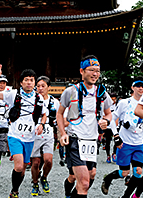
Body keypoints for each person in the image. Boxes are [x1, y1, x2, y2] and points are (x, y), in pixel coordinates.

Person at [56, 55, 112, 198]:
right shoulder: (71, 91)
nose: (95, 74)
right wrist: (62, 133)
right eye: (91, 70)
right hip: (75, 139)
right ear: (82, 71)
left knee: (91, 175)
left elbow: (109, 114)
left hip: (92, 140)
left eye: (98, 71)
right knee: (84, 183)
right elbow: (60, 114)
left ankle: (70, 194)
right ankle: (69, 193)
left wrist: (106, 121)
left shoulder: (101, 92)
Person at [0, 63, 47, 198]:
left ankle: (15, 189)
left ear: (34, 82)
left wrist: (41, 124)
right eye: (26, 80)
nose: (29, 82)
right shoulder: (13, 94)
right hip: (15, 135)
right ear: (21, 82)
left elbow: (44, 114)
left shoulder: (39, 98)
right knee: (19, 166)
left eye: (31, 80)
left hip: (30, 137)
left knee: (22, 170)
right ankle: (14, 192)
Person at [101, 77, 143, 198]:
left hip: (140, 142)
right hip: (124, 142)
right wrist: (116, 135)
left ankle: (126, 196)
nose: (141, 88)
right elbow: (112, 118)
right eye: (138, 86)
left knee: (138, 172)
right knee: (124, 172)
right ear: (132, 87)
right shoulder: (124, 103)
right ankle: (108, 178)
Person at [30, 76, 60, 196]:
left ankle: (44, 177)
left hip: (48, 132)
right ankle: (35, 182)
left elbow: (60, 117)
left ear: (49, 87)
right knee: (36, 162)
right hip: (35, 131)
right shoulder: (33, 100)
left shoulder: (55, 102)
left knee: (48, 160)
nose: (40, 89)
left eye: (43, 86)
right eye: (38, 86)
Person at [103, 92, 118, 163]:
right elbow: (103, 115)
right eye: (112, 99)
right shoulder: (106, 106)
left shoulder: (118, 106)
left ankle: (114, 153)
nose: (113, 101)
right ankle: (108, 155)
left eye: (114, 99)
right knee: (108, 142)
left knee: (116, 141)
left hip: (116, 126)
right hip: (108, 127)